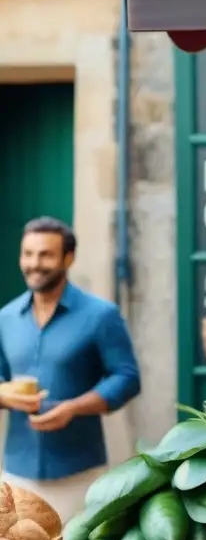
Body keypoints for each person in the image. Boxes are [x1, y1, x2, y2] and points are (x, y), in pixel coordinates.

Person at [0, 217, 141, 522]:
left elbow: (127, 378)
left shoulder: (101, 315)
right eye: (28, 254)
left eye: (45, 255)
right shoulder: (5, 317)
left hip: (79, 474)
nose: (34, 264)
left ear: (68, 257)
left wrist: (73, 408)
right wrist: (6, 397)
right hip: (15, 474)